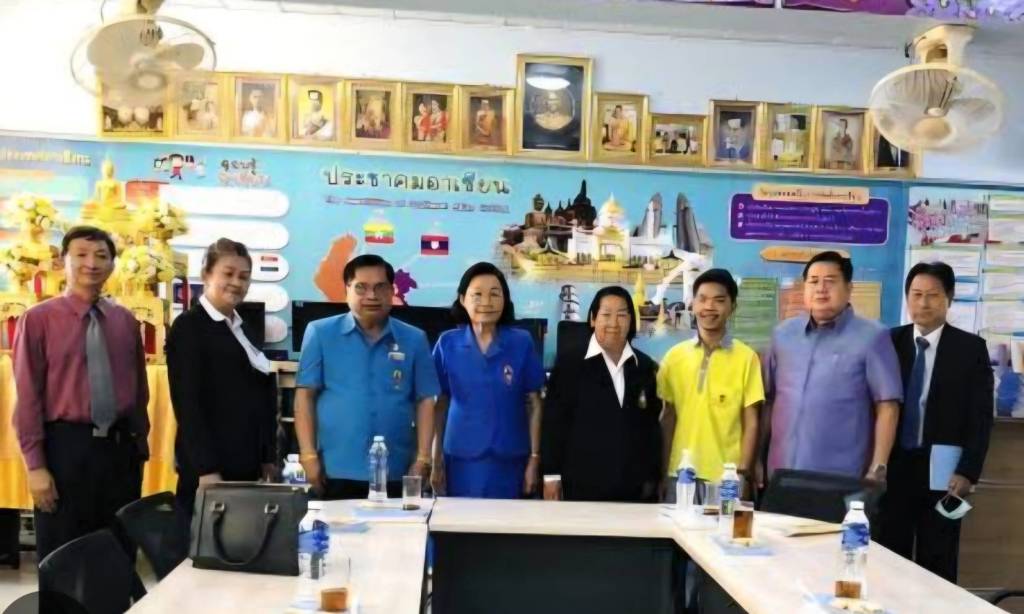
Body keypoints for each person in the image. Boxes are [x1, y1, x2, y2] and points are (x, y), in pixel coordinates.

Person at [12, 225, 149, 561]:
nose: (92, 263)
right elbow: (28, 396)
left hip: (120, 451)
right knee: (63, 558)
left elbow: (139, 389)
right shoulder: (38, 319)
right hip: (65, 450)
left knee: (117, 554)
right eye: (81, 255)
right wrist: (36, 466)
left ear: (113, 265)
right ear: (63, 262)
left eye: (101, 255)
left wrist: (139, 445)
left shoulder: (125, 321)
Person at [878, 262, 993, 582]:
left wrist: (968, 471)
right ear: (907, 298)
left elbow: (981, 417)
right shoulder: (890, 342)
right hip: (895, 468)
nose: (923, 303)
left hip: (944, 472)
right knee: (889, 558)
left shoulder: (970, 349)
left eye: (933, 295)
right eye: (916, 295)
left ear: (949, 299)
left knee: (938, 560)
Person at [295, 255, 438, 499]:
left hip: (396, 469)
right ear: (347, 290)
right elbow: (304, 396)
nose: (372, 295)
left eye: (380, 287)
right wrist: (307, 456)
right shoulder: (320, 333)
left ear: (391, 291)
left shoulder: (414, 339)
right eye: (361, 287)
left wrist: (423, 458)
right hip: (335, 469)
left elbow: (425, 400)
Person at [763, 251, 902, 482]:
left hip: (840, 477)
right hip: (780, 472)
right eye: (813, 281)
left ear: (849, 288)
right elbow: (768, 400)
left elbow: (888, 406)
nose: (821, 289)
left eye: (830, 281)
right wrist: (757, 461)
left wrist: (878, 467)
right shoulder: (783, 335)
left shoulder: (873, 337)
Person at [166, 238, 277, 518]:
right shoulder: (189, 326)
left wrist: (267, 457)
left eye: (244, 276)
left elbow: (259, 394)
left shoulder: (244, 328)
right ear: (206, 274)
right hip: (211, 466)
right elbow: (187, 404)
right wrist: (206, 468)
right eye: (228, 274)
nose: (237, 283)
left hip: (246, 461)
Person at [431, 262, 545, 498]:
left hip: (511, 458)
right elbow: (438, 405)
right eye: (477, 294)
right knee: (461, 519)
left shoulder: (521, 342)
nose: (486, 301)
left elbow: (534, 403)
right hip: (461, 457)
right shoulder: (447, 343)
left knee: (508, 520)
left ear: (505, 300)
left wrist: (534, 458)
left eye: (495, 294)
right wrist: (434, 459)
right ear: (463, 299)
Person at [541, 286, 661, 502]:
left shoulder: (643, 366)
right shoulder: (570, 363)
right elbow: (553, 422)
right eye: (606, 314)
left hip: (633, 488)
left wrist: (653, 476)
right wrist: (551, 476)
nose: (614, 323)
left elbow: (651, 427)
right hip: (582, 485)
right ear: (593, 319)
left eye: (622, 315)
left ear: (631, 321)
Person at [658, 269, 763, 498]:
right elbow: (668, 418)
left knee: (727, 524)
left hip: (727, 478)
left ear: (732, 306)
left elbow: (751, 422)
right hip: (680, 474)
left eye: (719, 300)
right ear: (693, 304)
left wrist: (743, 474)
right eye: (702, 299)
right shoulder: (674, 357)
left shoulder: (747, 358)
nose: (709, 307)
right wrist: (663, 472)